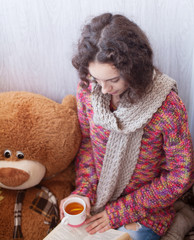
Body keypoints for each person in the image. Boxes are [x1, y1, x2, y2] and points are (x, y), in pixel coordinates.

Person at [60, 13, 194, 240]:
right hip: (98, 196)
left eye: (113, 80)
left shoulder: (168, 108)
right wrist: (83, 191)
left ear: (133, 68)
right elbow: (87, 144)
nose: (103, 89)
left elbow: (180, 175)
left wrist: (121, 212)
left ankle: (181, 220)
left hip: (146, 208)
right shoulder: (87, 89)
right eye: (96, 79)